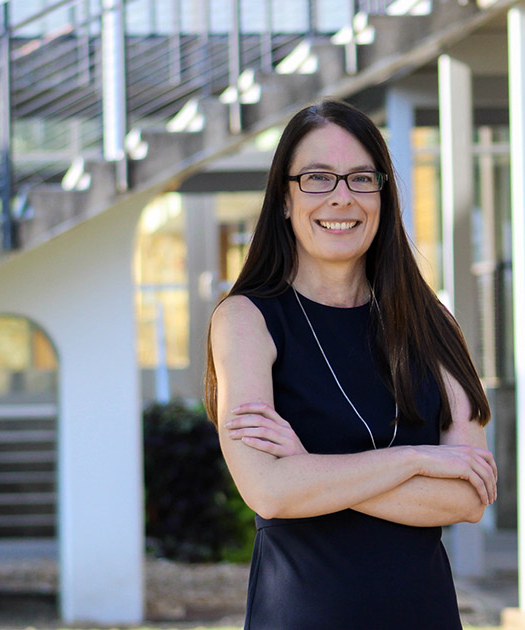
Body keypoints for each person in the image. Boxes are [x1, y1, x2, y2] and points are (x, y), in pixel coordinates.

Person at [204, 99, 497, 630]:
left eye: (362, 179)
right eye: (317, 178)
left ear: (383, 197)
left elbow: (468, 497)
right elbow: (269, 490)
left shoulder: (434, 326)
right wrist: (418, 459)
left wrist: (309, 468)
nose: (342, 197)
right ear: (285, 201)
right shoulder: (245, 321)